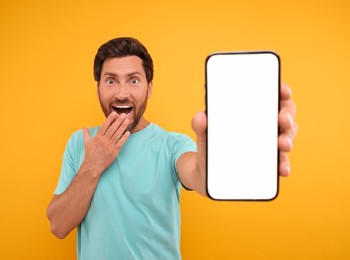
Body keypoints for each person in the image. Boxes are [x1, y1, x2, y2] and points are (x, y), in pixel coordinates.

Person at [46, 37, 298, 259]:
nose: (122, 93)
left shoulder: (172, 145)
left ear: (149, 87)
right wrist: (93, 164)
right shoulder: (80, 142)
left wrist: (237, 148)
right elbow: (58, 226)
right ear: (98, 87)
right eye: (111, 81)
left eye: (133, 80)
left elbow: (201, 177)